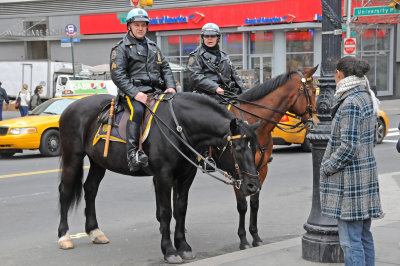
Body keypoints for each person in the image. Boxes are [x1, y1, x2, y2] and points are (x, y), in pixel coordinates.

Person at [320, 56, 383, 266]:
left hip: (351, 182)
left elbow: (348, 147)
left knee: (350, 241)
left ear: (341, 73)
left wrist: (327, 166)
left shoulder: (350, 103)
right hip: (364, 176)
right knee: (363, 236)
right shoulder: (366, 96)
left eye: (336, 71)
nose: (334, 75)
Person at [110, 8, 176, 172]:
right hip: (133, 93)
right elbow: (118, 75)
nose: (140, 28)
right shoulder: (121, 48)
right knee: (137, 111)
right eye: (136, 25)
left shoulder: (153, 47)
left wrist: (170, 86)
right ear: (129, 26)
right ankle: (133, 154)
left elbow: (166, 68)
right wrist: (135, 93)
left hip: (156, 91)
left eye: (143, 25)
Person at [187, 22, 246, 99]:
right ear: (203, 38)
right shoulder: (195, 55)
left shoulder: (224, 56)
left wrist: (246, 93)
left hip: (227, 95)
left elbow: (235, 77)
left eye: (213, 36)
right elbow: (195, 76)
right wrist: (215, 87)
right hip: (206, 96)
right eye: (206, 36)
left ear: (217, 38)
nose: (209, 38)